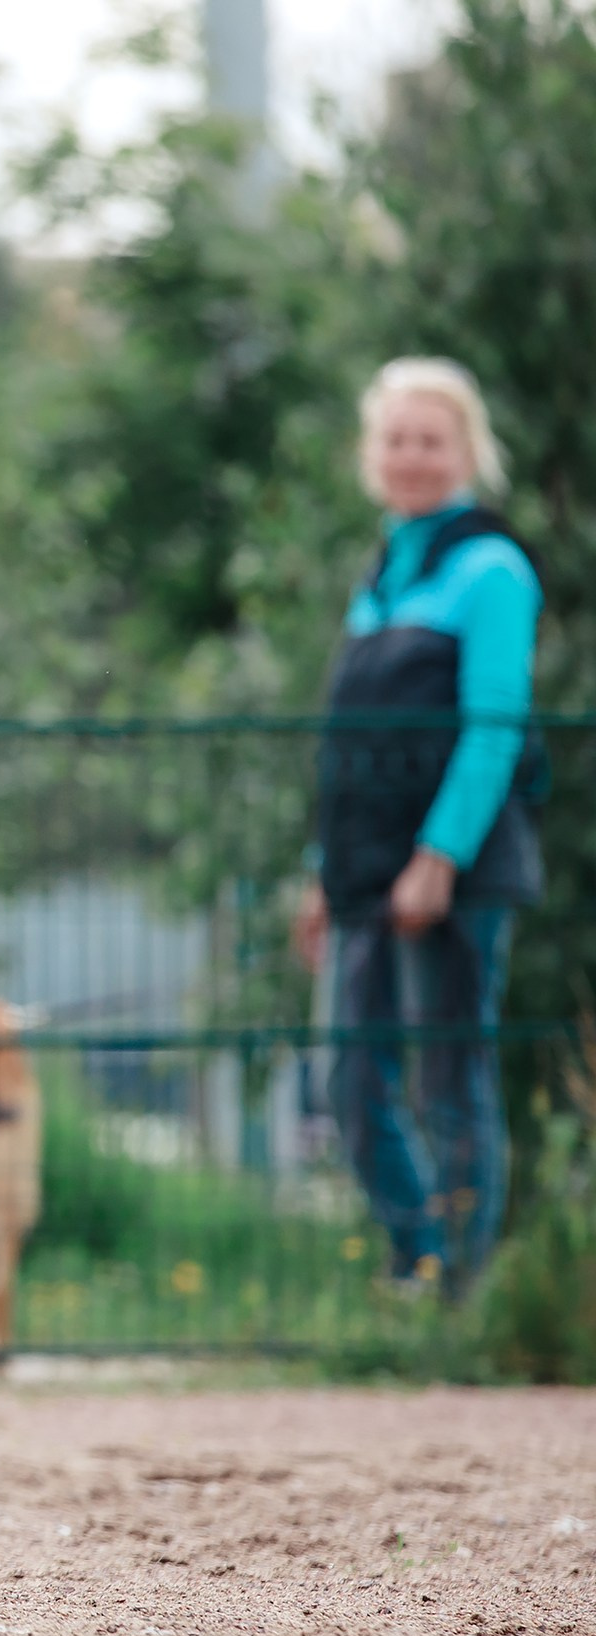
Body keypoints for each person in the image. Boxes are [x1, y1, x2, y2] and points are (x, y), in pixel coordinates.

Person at [294, 357, 542, 1298]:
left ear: (466, 452)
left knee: (450, 1078)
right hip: (361, 872)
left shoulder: (492, 569)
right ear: (372, 453)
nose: (411, 456)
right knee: (349, 1081)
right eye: (395, 439)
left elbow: (494, 725)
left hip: (459, 874)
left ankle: (462, 1296)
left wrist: (440, 857)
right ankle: (419, 1254)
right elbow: (352, 752)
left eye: (430, 440)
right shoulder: (382, 581)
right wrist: (324, 870)